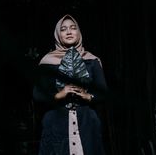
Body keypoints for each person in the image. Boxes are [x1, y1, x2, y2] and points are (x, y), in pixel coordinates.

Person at [33, 14, 108, 155]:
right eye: (63, 29)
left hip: (87, 124)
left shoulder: (91, 60)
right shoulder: (47, 62)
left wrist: (88, 96)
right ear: (57, 34)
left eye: (73, 28)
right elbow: (37, 94)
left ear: (78, 32)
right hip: (55, 124)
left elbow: (103, 92)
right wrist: (59, 94)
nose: (69, 32)